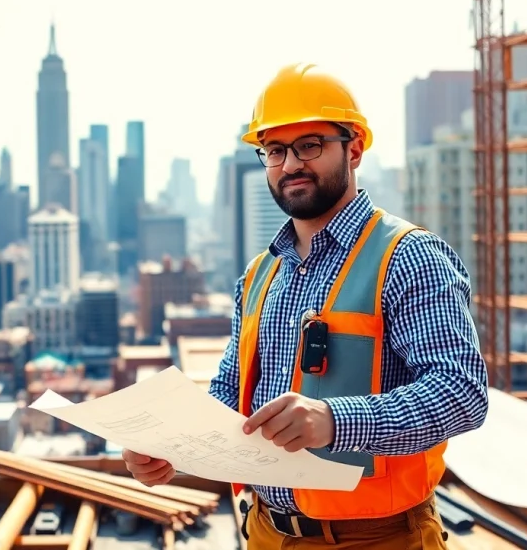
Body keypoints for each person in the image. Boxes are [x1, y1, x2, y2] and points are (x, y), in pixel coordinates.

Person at [122, 63, 489, 549]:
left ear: (353, 148)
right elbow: (232, 393)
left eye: (309, 145)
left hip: (378, 539)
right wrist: (170, 446)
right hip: (266, 532)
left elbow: (461, 393)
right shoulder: (259, 276)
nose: (291, 163)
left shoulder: (408, 257)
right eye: (274, 150)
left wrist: (334, 420)